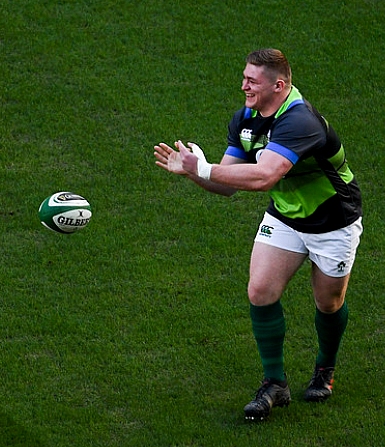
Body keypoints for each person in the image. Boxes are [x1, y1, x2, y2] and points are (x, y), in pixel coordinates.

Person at [153, 48, 363, 420]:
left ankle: (325, 367)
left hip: (332, 221)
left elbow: (265, 176)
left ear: (279, 85)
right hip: (285, 216)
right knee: (260, 291)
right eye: (244, 77)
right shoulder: (246, 118)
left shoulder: (300, 121)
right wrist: (193, 172)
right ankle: (275, 383)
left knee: (328, 303)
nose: (243, 86)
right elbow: (229, 184)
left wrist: (203, 167)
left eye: (252, 80)